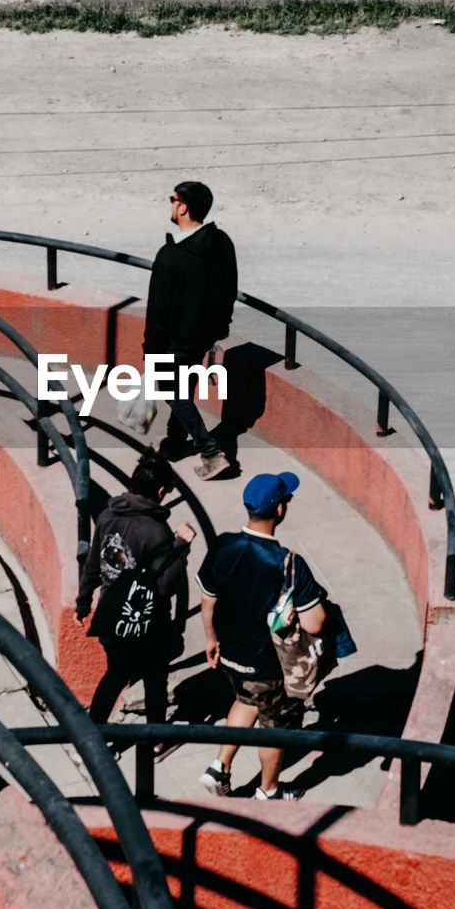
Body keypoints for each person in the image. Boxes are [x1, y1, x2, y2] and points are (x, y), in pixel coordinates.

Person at [197, 470, 326, 800]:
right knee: (274, 728)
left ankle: (219, 769)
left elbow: (207, 602)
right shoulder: (288, 563)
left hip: (231, 655)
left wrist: (211, 640)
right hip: (268, 666)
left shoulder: (223, 545)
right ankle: (268, 792)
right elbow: (315, 624)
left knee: (244, 700)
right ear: (280, 510)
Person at [76, 448, 195, 727]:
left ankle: (93, 736)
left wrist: (82, 603)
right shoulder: (156, 531)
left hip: (110, 613)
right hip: (147, 622)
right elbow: (165, 585)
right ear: (163, 490)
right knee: (155, 677)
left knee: (115, 674)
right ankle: (156, 738)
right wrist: (181, 545)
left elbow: (93, 564)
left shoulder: (107, 516)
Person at [144, 181, 238, 481]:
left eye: (172, 200)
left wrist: (151, 350)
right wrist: (220, 326)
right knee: (183, 388)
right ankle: (174, 443)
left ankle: (210, 451)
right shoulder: (222, 242)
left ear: (183, 206)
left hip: (175, 340)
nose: (171, 205)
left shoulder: (170, 256)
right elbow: (229, 290)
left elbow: (157, 310)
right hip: (203, 336)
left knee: (172, 390)